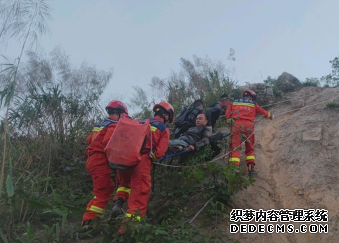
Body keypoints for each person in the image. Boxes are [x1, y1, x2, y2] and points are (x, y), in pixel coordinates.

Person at [110, 101, 173, 233]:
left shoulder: (140, 122)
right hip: (141, 161)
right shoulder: (163, 128)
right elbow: (159, 153)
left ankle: (119, 201)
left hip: (124, 160)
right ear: (166, 116)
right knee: (139, 196)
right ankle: (128, 232)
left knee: (125, 185)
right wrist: (153, 158)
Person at [81, 100, 128, 228]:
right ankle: (89, 222)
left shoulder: (100, 124)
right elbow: (110, 142)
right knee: (104, 190)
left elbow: (89, 139)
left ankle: (89, 219)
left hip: (92, 160)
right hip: (100, 160)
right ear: (119, 113)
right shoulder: (113, 124)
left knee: (102, 189)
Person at [225, 89, 274, 177]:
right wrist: (270, 116)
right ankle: (251, 171)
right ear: (252, 97)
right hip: (249, 127)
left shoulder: (233, 102)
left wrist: (230, 120)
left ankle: (233, 172)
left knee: (235, 148)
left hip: (236, 125)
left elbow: (227, 115)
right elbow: (263, 112)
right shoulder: (253, 104)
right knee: (249, 148)